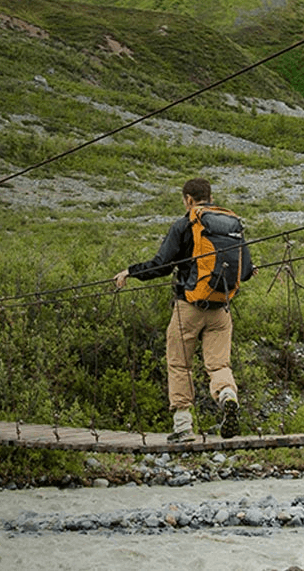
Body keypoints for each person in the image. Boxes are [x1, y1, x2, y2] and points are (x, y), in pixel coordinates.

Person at [114, 178, 254, 442]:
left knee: (180, 364)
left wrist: (131, 271)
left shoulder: (184, 224)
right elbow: (245, 271)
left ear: (189, 199)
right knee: (219, 364)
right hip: (221, 308)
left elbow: (162, 265)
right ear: (210, 196)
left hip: (188, 306)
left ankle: (183, 426)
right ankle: (227, 395)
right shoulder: (231, 225)